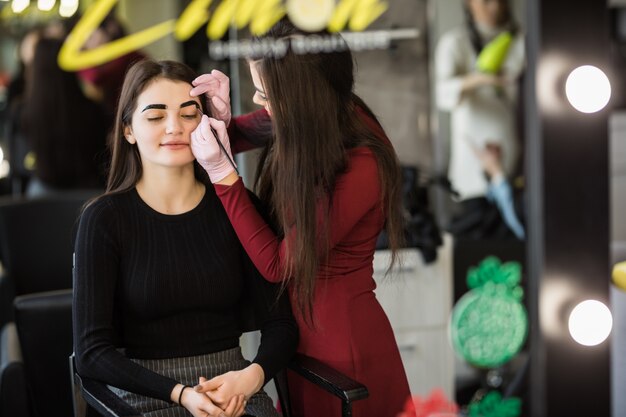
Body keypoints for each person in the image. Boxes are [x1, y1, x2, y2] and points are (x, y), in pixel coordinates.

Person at [189, 18, 411, 417]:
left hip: (341, 345)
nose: (260, 104)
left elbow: (277, 264)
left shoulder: (362, 164)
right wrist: (220, 117)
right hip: (297, 331)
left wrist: (224, 176)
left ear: (302, 96)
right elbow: (236, 136)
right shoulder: (319, 114)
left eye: (265, 94)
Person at [73, 59, 298, 417]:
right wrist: (180, 394)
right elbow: (90, 353)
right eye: (155, 116)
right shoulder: (104, 219)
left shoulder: (237, 206)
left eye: (188, 113)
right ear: (128, 129)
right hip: (142, 400)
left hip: (234, 394)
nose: (174, 127)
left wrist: (250, 378)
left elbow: (281, 325)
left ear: (206, 122)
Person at [434, 0, 525, 212]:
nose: (494, 7)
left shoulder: (521, 41)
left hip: (514, 154)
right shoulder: (454, 43)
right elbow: (443, 95)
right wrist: (480, 79)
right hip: (471, 163)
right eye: (485, 1)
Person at [18, 37, 109, 196]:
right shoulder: (93, 109)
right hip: (89, 192)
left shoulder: (23, 112)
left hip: (41, 195)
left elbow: (21, 163)